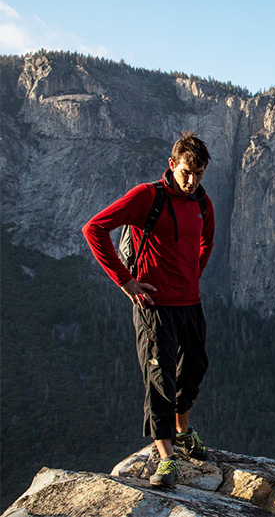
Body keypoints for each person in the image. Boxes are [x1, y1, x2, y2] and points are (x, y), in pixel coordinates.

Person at [82, 132, 215, 489]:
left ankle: (183, 431)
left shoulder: (202, 202)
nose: (192, 181)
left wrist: (190, 277)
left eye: (199, 173)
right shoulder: (147, 197)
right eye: (187, 171)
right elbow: (94, 228)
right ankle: (167, 458)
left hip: (190, 303)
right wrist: (125, 282)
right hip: (153, 306)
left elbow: (207, 242)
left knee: (195, 368)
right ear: (172, 165)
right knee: (160, 380)